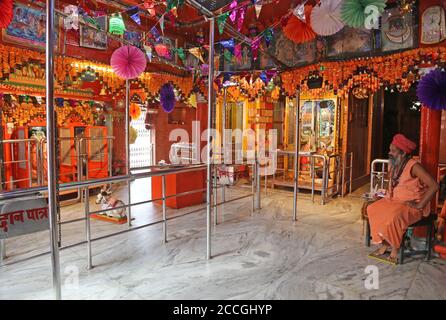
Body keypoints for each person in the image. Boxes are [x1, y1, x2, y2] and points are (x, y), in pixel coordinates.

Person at [367, 133, 439, 263]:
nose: (390, 153)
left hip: (410, 205)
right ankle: (385, 242)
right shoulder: (394, 163)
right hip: (394, 201)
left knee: (394, 216)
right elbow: (393, 184)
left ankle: (395, 247)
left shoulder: (414, 166)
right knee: (372, 208)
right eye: (390, 149)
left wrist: (420, 205)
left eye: (393, 151)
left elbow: (434, 185)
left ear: (403, 153)